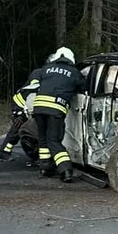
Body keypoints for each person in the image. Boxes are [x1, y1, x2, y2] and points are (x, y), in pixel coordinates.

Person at [26, 47, 87, 182]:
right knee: (54, 140)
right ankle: (65, 170)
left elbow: (35, 82)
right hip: (55, 108)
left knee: (43, 139)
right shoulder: (74, 72)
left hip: (39, 108)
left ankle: (45, 168)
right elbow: (84, 88)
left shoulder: (46, 69)